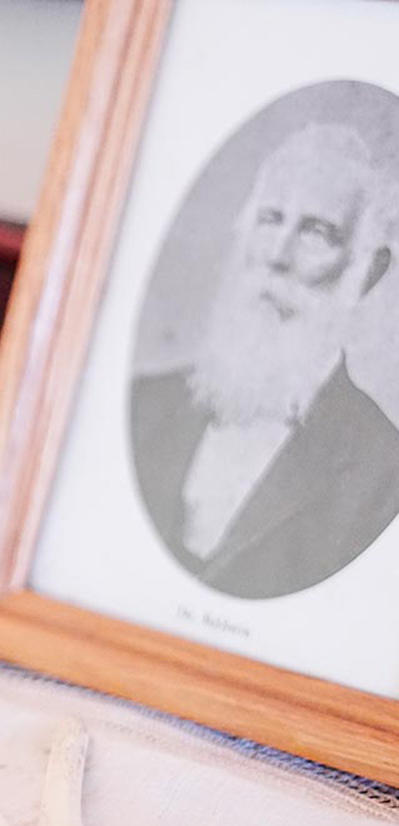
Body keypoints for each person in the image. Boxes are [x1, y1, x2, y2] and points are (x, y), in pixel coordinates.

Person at [131, 123, 399, 599]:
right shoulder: (144, 404)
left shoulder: (385, 472)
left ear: (367, 271)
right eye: (271, 219)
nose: (278, 255)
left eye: (317, 232)